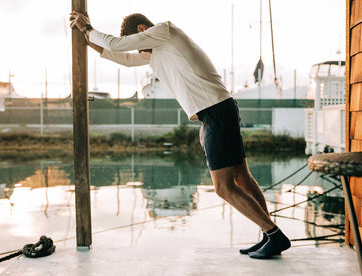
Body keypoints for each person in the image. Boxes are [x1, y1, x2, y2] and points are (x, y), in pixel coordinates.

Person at [69, 11, 290, 259]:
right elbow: (121, 57)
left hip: (216, 110)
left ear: (142, 30)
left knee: (223, 188)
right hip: (218, 109)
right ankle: (268, 233)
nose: (139, 47)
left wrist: (88, 28)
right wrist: (86, 38)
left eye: (137, 40)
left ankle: (274, 235)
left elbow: (116, 44)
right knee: (242, 177)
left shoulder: (165, 31)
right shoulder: (159, 52)